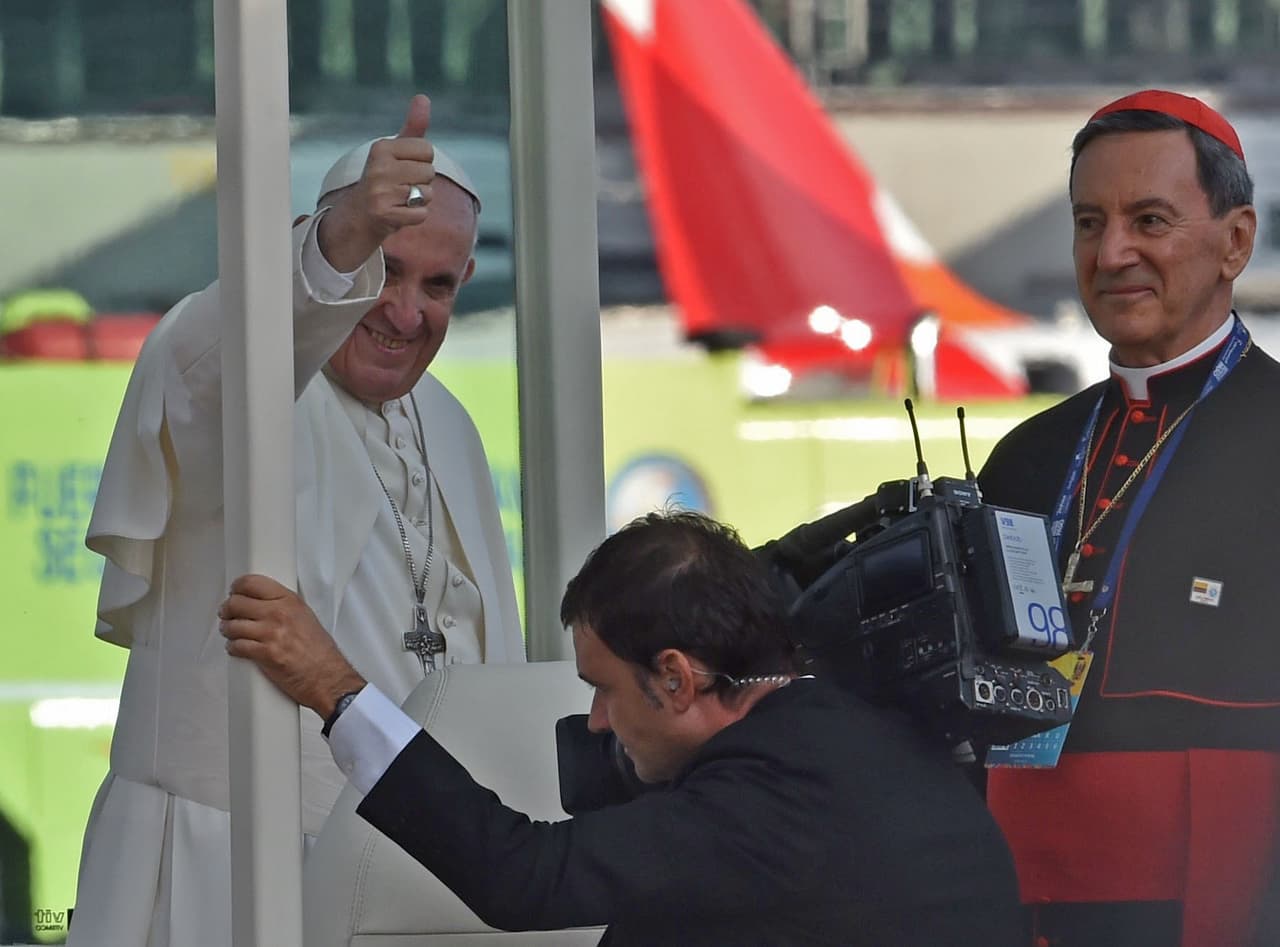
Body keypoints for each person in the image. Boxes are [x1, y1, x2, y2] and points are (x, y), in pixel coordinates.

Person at [67, 94, 526, 946]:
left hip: (405, 868)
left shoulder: (450, 424)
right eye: (384, 270)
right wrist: (343, 234)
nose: (405, 311)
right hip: (231, 854)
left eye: (438, 285)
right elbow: (209, 356)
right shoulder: (239, 379)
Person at [220, 510, 1025, 946]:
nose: (597, 719)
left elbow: (521, 876)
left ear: (675, 675)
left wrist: (336, 689)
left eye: (603, 689)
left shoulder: (759, 804)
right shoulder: (854, 724)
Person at [978, 89, 1280, 947]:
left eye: (1150, 219)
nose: (1112, 252)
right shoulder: (1029, 455)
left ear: (1235, 241)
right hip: (1022, 894)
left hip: (1228, 901)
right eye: (1088, 222)